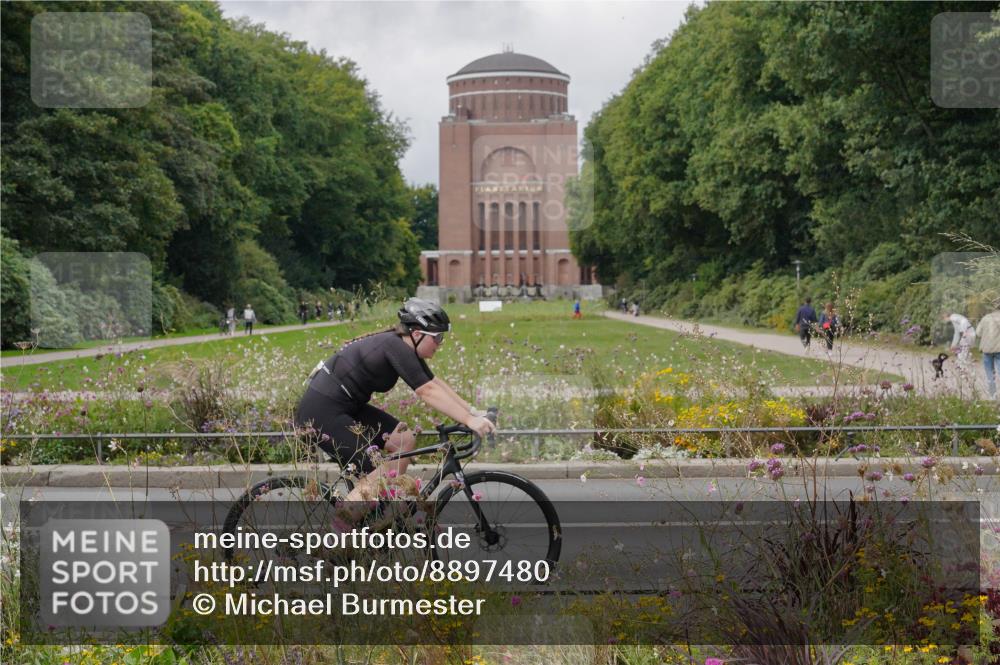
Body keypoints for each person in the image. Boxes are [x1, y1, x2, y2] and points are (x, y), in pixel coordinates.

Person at [294, 298, 496, 524]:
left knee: (403, 439)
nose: (440, 343)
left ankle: (384, 511)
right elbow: (427, 391)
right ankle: (334, 542)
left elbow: (434, 382)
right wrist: (469, 420)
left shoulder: (404, 348)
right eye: (437, 337)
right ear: (417, 334)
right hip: (321, 412)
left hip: (347, 407)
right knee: (378, 473)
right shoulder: (395, 347)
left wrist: (472, 411)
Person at [975, 307, 1000, 398]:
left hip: (987, 350)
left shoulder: (986, 318)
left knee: (990, 374)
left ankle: (993, 396)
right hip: (999, 350)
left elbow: (978, 333)